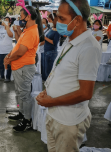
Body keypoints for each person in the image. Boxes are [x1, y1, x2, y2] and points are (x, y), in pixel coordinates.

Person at [36, 0, 101, 151]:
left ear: (77, 20)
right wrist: (48, 91)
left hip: (68, 121)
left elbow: (85, 93)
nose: (57, 22)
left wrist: (51, 101)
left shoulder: (89, 47)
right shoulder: (70, 40)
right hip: (54, 114)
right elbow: (62, 71)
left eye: (62, 18)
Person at [6, 6, 43, 132]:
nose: (19, 18)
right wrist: (10, 55)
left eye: (21, 16)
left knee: (25, 95)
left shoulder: (32, 32)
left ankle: (27, 120)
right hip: (19, 67)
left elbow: (21, 52)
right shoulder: (27, 30)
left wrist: (9, 59)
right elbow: (18, 45)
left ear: (28, 17)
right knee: (19, 93)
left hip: (24, 67)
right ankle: (21, 113)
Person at [0, 17, 14, 83]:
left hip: (8, 50)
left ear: (9, 23)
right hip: (0, 51)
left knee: (8, 65)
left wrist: (6, 26)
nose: (4, 22)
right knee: (1, 65)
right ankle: (2, 76)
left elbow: (10, 35)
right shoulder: (0, 30)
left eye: (6, 21)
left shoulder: (11, 29)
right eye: (4, 21)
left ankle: (8, 77)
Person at [42, 13, 60, 81]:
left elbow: (54, 43)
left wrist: (45, 38)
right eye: (49, 20)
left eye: (50, 20)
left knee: (50, 71)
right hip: (46, 51)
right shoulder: (51, 29)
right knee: (46, 71)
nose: (49, 22)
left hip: (51, 53)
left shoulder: (57, 31)